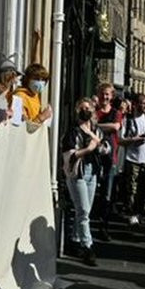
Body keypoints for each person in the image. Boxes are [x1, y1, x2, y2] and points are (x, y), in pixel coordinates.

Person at [61, 98, 105, 267]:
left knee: (85, 210)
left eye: (88, 108)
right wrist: (88, 149)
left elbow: (105, 148)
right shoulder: (73, 132)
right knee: (84, 210)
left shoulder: (96, 130)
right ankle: (88, 246)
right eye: (82, 108)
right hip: (77, 173)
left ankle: (75, 239)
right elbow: (69, 155)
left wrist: (97, 143)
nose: (85, 111)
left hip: (91, 172)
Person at [118, 93, 145, 224]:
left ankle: (139, 213)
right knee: (132, 188)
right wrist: (134, 140)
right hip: (132, 158)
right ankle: (132, 212)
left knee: (143, 188)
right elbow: (120, 140)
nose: (144, 106)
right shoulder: (127, 120)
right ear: (135, 104)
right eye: (142, 103)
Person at [92, 82, 123, 241]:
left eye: (107, 94)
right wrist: (103, 126)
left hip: (111, 158)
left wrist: (96, 126)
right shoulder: (94, 111)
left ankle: (103, 226)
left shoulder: (116, 112)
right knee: (93, 192)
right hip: (93, 156)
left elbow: (115, 127)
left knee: (107, 194)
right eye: (102, 93)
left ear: (111, 97)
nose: (105, 97)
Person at [0, 56, 20, 128]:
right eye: (9, 77)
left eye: (14, 76)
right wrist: (2, 122)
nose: (15, 81)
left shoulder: (14, 99)